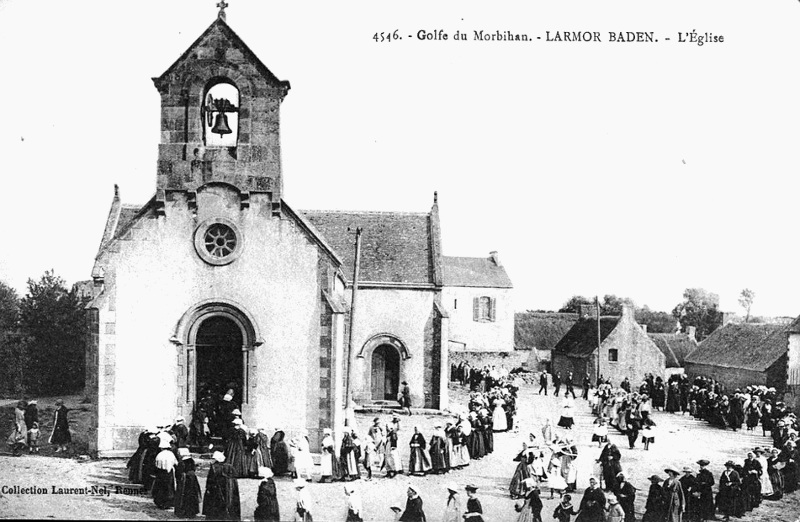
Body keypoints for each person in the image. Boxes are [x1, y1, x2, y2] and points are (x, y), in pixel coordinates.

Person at [203, 451, 241, 521]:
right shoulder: (229, 466)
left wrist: (208, 488)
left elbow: (210, 480)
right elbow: (235, 476)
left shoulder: (214, 467)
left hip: (216, 489)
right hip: (229, 490)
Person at [175, 448, 202, 518]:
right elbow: (194, 469)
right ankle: (192, 512)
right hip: (192, 478)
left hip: (184, 479)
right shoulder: (191, 460)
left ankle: (183, 512)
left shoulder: (181, 462)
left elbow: (178, 472)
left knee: (183, 495)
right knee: (192, 494)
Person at [152, 437, 177, 509]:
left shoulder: (159, 455)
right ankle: (168, 502)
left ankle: (160, 502)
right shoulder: (171, 454)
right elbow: (175, 463)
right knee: (169, 487)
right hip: (169, 473)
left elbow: (156, 465)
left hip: (161, 472)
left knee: (160, 487)